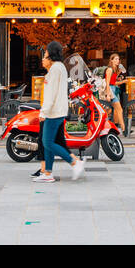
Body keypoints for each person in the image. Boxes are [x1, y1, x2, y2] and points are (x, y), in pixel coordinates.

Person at [35, 41, 83, 184]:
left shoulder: (55, 69)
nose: (45, 55)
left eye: (46, 52)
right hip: (59, 110)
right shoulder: (60, 67)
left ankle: (74, 162)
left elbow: (51, 94)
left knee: (47, 142)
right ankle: (48, 172)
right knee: (50, 141)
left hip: (53, 112)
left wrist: (43, 112)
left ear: (51, 53)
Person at [103, 54, 126, 133]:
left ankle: (120, 128)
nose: (117, 61)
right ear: (111, 60)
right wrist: (108, 94)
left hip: (113, 89)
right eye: (115, 59)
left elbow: (113, 82)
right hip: (110, 90)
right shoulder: (109, 69)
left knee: (112, 110)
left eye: (118, 59)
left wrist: (121, 80)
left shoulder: (115, 69)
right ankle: (123, 129)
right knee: (118, 109)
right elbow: (107, 82)